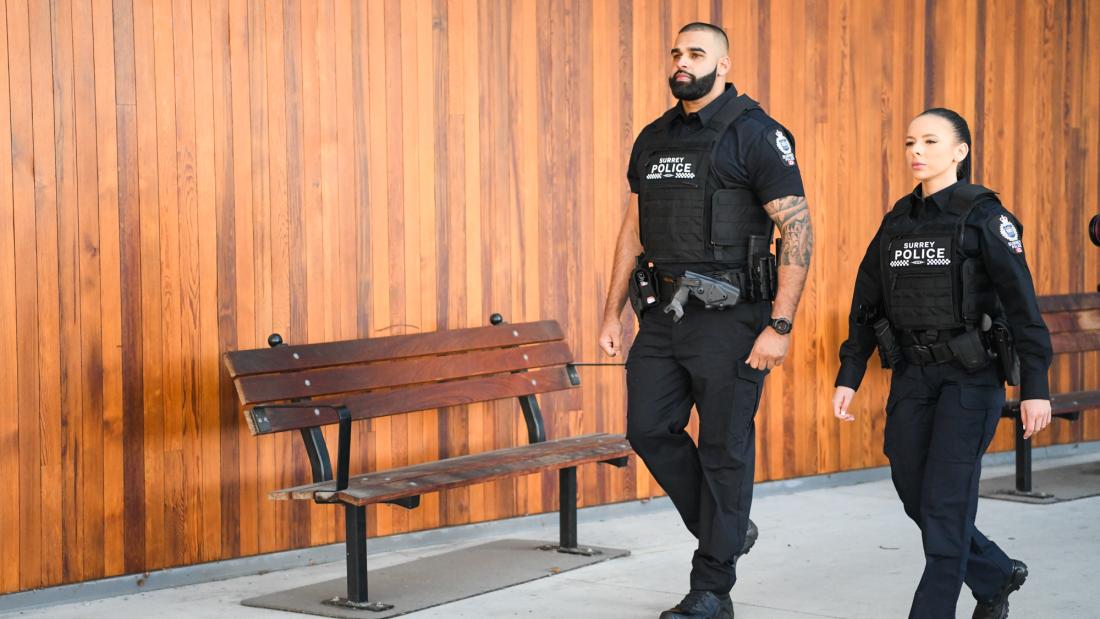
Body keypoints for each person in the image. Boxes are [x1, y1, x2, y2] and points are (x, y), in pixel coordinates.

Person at [599, 22, 813, 619]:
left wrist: (781, 324)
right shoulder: (653, 137)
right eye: (677, 53)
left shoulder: (756, 134)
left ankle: (712, 589)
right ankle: (727, 530)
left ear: (723, 63)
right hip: (664, 314)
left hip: (734, 317)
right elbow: (633, 231)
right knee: (647, 429)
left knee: (723, 448)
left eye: (696, 53)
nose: (682, 62)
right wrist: (612, 311)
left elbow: (796, 228)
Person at [832, 108, 1053, 619]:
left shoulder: (984, 216)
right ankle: (996, 574)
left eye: (930, 142)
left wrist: (1035, 386)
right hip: (912, 376)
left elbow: (1022, 305)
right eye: (911, 141)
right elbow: (867, 303)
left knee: (945, 504)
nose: (916, 151)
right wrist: (851, 373)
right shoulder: (896, 221)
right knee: (916, 493)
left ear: (959, 152)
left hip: (970, 378)